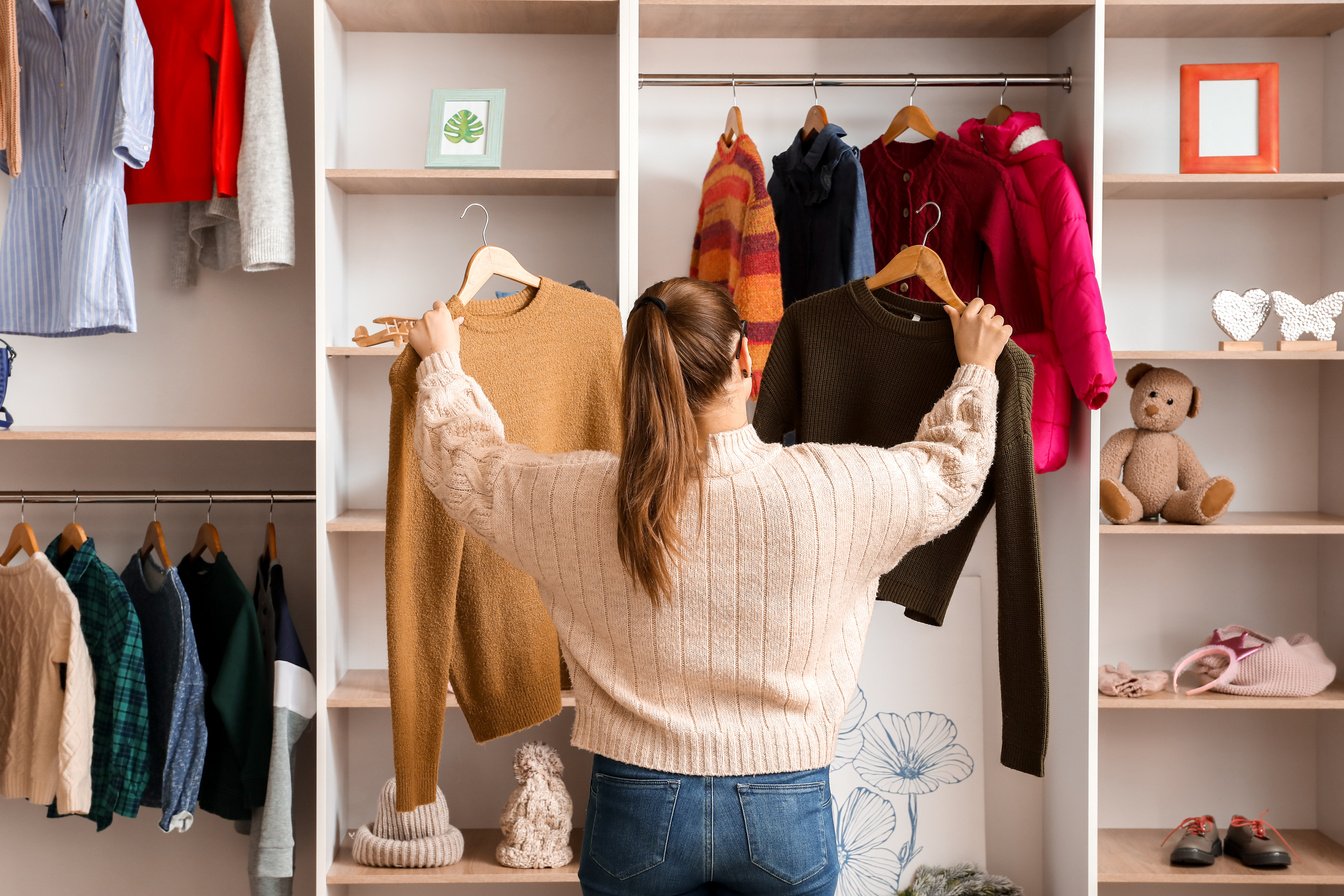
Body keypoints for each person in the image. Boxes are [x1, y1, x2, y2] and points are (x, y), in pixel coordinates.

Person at [407, 277, 1011, 896]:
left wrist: (444, 367)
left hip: (636, 806)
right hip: (786, 803)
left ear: (637, 376)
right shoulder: (834, 490)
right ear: (744, 358)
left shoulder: (582, 498)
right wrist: (975, 370)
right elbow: (951, 469)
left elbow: (469, 468)